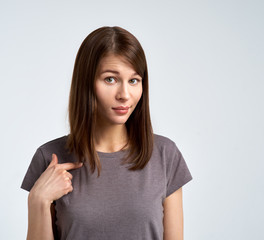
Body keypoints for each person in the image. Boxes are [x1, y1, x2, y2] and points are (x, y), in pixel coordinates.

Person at [21, 26, 193, 240]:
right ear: (86, 84)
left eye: (134, 80)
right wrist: (38, 200)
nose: (124, 95)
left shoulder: (165, 155)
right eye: (110, 79)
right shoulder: (49, 158)